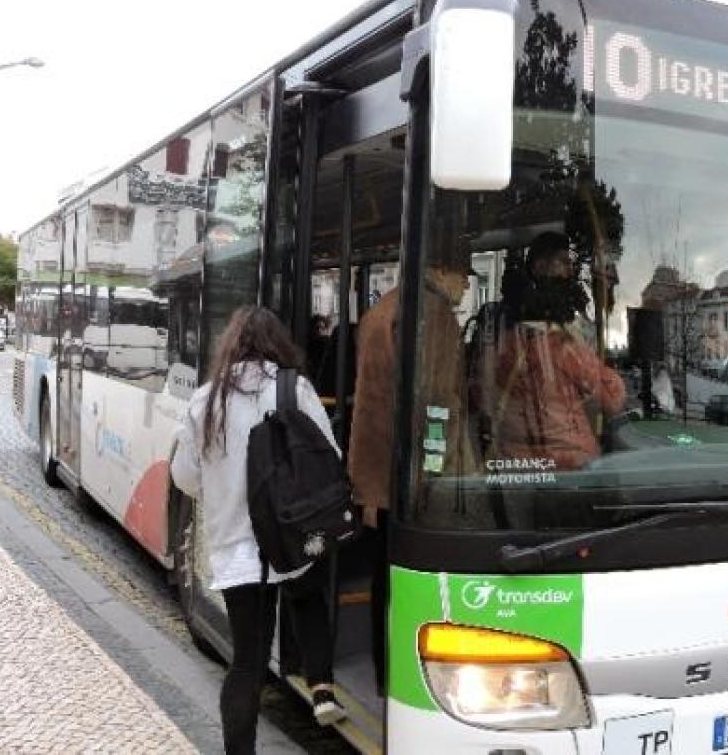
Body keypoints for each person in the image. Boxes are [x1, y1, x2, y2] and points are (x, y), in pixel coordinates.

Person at [170, 306, 345, 755]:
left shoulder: (205, 400)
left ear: (230, 344)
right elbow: (330, 458)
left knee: (247, 662)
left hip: (237, 551)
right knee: (309, 599)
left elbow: (185, 478)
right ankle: (321, 684)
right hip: (292, 537)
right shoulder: (295, 389)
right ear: (278, 343)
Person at [348, 254, 471, 693]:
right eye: (462, 272)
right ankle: (407, 681)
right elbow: (438, 402)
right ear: (438, 270)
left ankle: (385, 674)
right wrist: (440, 471)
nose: (466, 285)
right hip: (413, 475)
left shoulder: (381, 309)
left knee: (385, 578)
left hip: (375, 469)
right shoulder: (433, 316)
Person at [488, 231, 627, 469]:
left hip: (517, 463)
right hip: (567, 466)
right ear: (540, 267)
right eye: (563, 262)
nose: (570, 271)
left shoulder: (502, 334)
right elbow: (612, 397)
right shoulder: (559, 341)